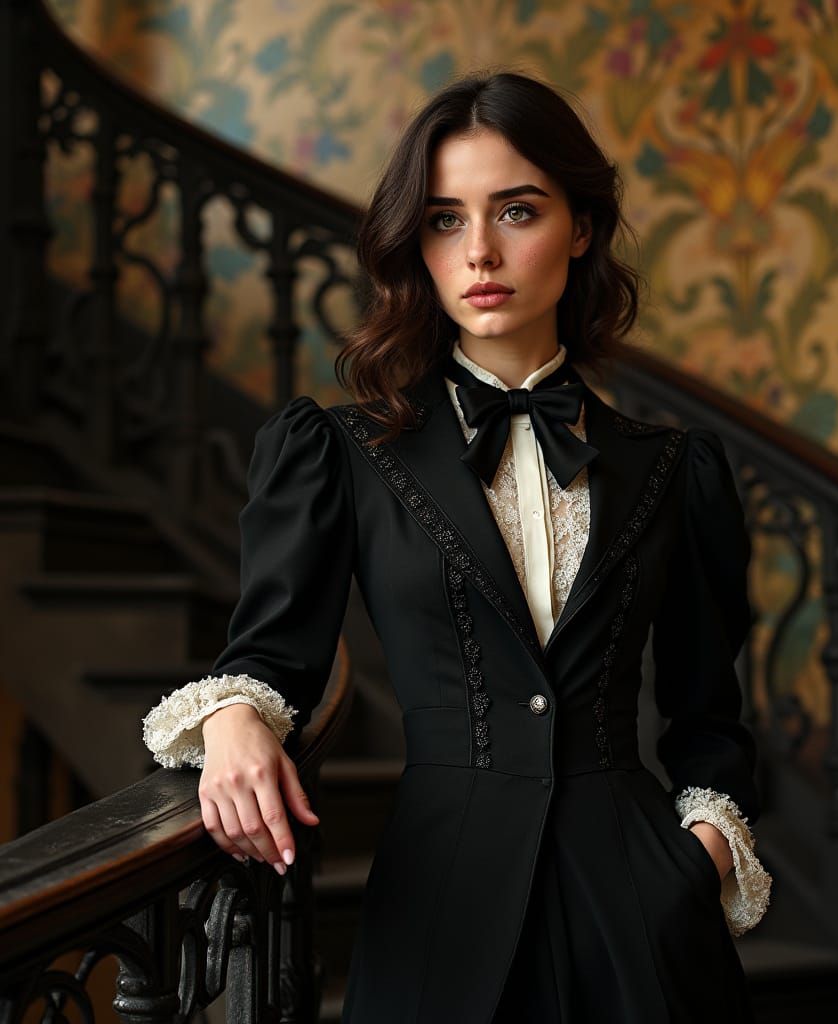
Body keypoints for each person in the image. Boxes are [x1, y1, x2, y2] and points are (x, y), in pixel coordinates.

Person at [142, 69, 772, 1023]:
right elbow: (271, 657)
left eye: (517, 211)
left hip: (643, 912)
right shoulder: (339, 454)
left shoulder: (675, 471)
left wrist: (702, 853)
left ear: (583, 227)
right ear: (417, 245)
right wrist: (233, 722)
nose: (480, 250)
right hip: (441, 906)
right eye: (444, 220)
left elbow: (709, 720)